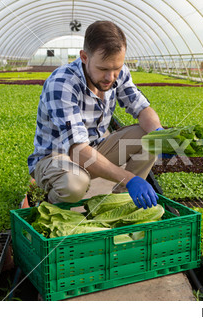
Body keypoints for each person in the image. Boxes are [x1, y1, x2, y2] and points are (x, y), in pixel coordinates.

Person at [27, 20, 164, 209]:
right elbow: (78, 149)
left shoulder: (118, 72)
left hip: (94, 149)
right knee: (75, 184)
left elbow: (141, 108)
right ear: (84, 57)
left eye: (116, 69)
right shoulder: (62, 83)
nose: (110, 77)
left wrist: (160, 133)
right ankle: (46, 205)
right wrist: (130, 178)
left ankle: (118, 205)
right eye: (103, 69)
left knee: (151, 137)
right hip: (55, 157)